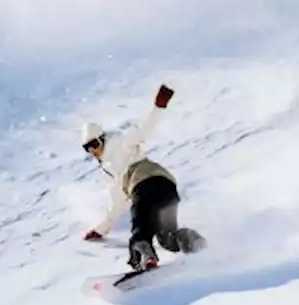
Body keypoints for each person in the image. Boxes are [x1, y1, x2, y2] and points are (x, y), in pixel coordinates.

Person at [80, 83, 207, 271]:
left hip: (146, 183)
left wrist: (159, 106)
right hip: (166, 187)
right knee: (167, 239)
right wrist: (100, 230)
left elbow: (144, 129)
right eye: (88, 148)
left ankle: (144, 257)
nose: (93, 151)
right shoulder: (111, 175)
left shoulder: (122, 143)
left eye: (94, 144)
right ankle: (199, 246)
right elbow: (116, 206)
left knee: (141, 225)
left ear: (102, 139)